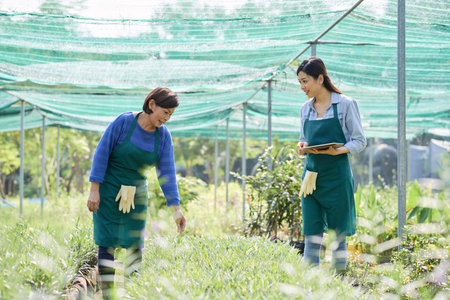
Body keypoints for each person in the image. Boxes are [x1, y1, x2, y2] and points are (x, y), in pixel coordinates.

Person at [87, 86, 186, 297]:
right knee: (107, 242)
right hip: (109, 190)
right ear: (152, 104)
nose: (167, 118)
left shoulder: (163, 136)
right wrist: (94, 189)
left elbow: (166, 172)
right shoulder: (124, 122)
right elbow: (102, 153)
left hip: (136, 196)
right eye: (165, 112)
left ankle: (132, 292)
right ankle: (107, 294)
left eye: (171, 115)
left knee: (135, 246)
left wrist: (176, 209)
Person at [296, 57, 366, 271]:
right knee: (311, 231)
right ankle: (309, 285)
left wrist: (338, 150)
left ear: (320, 78)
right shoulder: (305, 109)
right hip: (311, 177)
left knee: (338, 232)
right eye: (299, 82)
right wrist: (302, 147)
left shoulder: (345, 104)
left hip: (336, 176)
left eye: (305, 81)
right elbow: (303, 138)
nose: (303, 87)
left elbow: (359, 141)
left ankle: (339, 283)